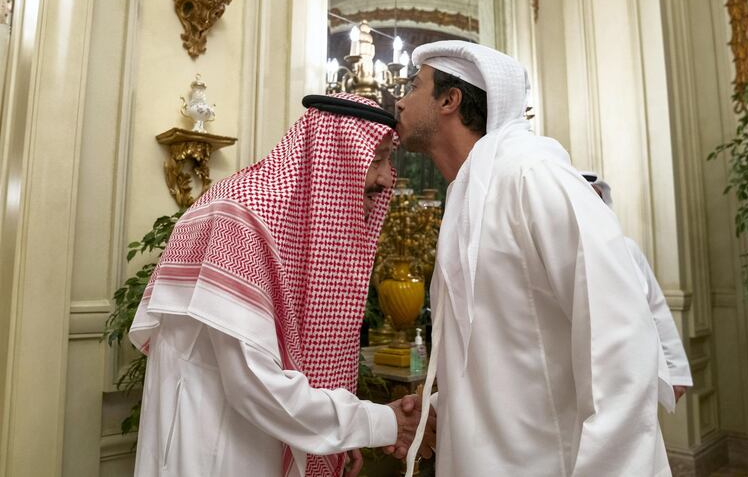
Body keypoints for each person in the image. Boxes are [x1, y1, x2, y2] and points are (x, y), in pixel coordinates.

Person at [393, 41, 671, 476]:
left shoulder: (533, 176)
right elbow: (505, 346)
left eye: (415, 86)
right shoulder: (469, 195)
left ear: (450, 100)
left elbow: (621, 346)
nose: (400, 100)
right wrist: (442, 406)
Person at [129, 93, 420, 477]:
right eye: (377, 159)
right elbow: (256, 387)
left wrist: (338, 439)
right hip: (216, 453)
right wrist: (376, 423)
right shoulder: (243, 217)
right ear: (334, 158)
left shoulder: (280, 218)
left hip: (252, 441)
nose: (387, 178)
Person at [581, 172, 693, 406]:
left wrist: (676, 372)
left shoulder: (628, 249)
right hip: (588, 378)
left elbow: (656, 309)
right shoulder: (561, 258)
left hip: (634, 373)